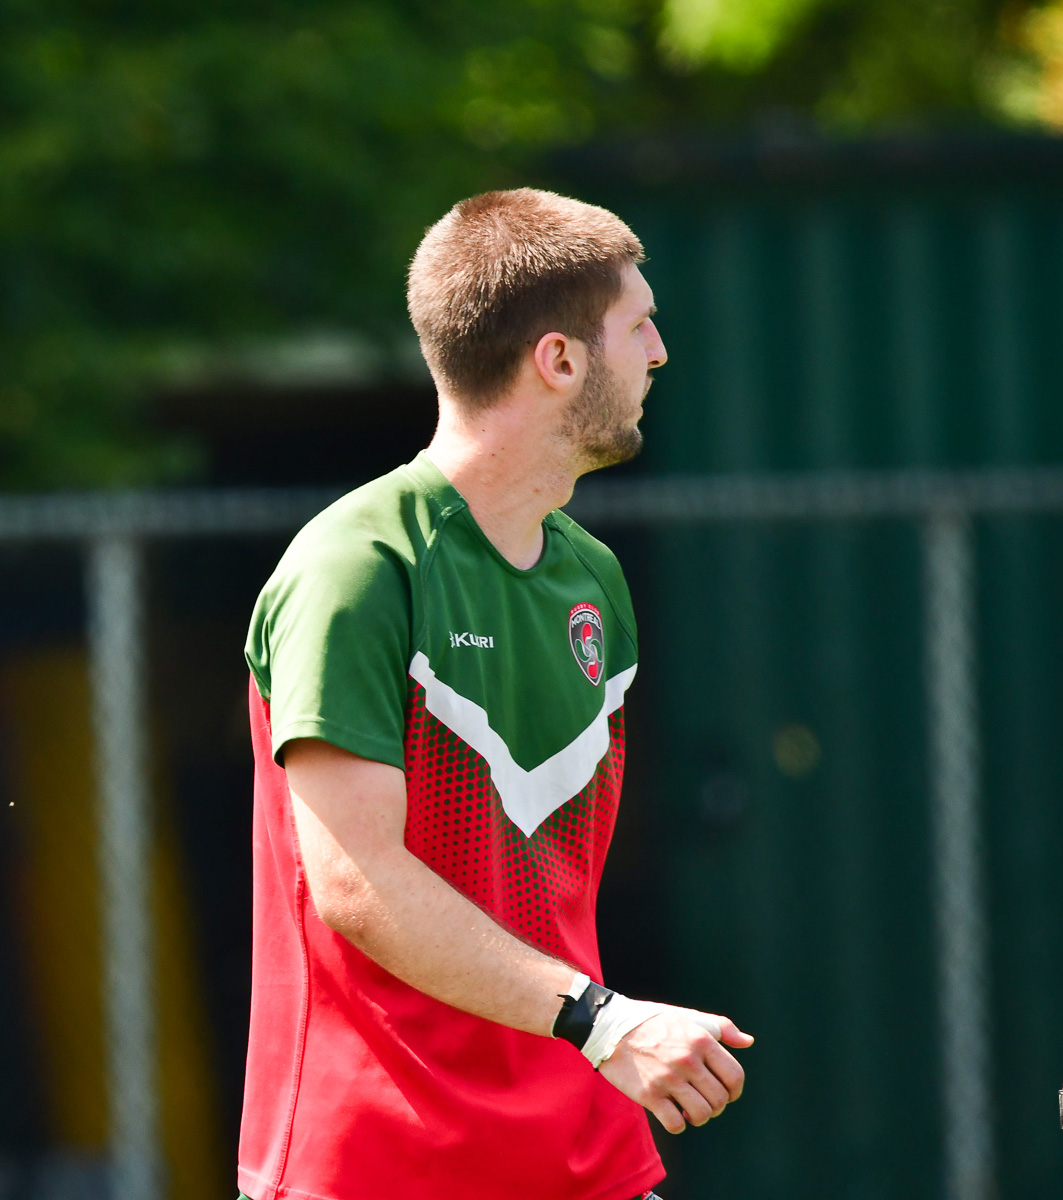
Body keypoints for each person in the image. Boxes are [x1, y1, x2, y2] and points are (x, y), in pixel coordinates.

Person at [238, 188, 753, 1200]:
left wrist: (600, 1032)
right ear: (559, 361)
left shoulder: (593, 579)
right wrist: (605, 1020)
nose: (657, 352)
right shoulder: (359, 565)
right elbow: (355, 882)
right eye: (638, 325)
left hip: (586, 1158)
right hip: (378, 1166)